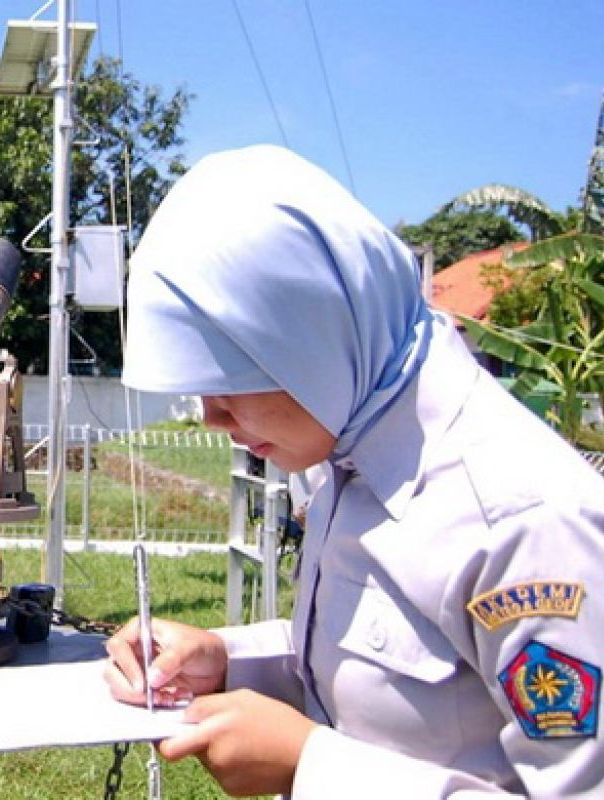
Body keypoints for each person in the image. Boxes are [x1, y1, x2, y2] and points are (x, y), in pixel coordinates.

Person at [105, 145, 604, 798]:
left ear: (313, 338)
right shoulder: (351, 454)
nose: (210, 419)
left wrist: (311, 767)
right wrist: (230, 663)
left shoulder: (526, 523)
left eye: (232, 383)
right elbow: (388, 669)